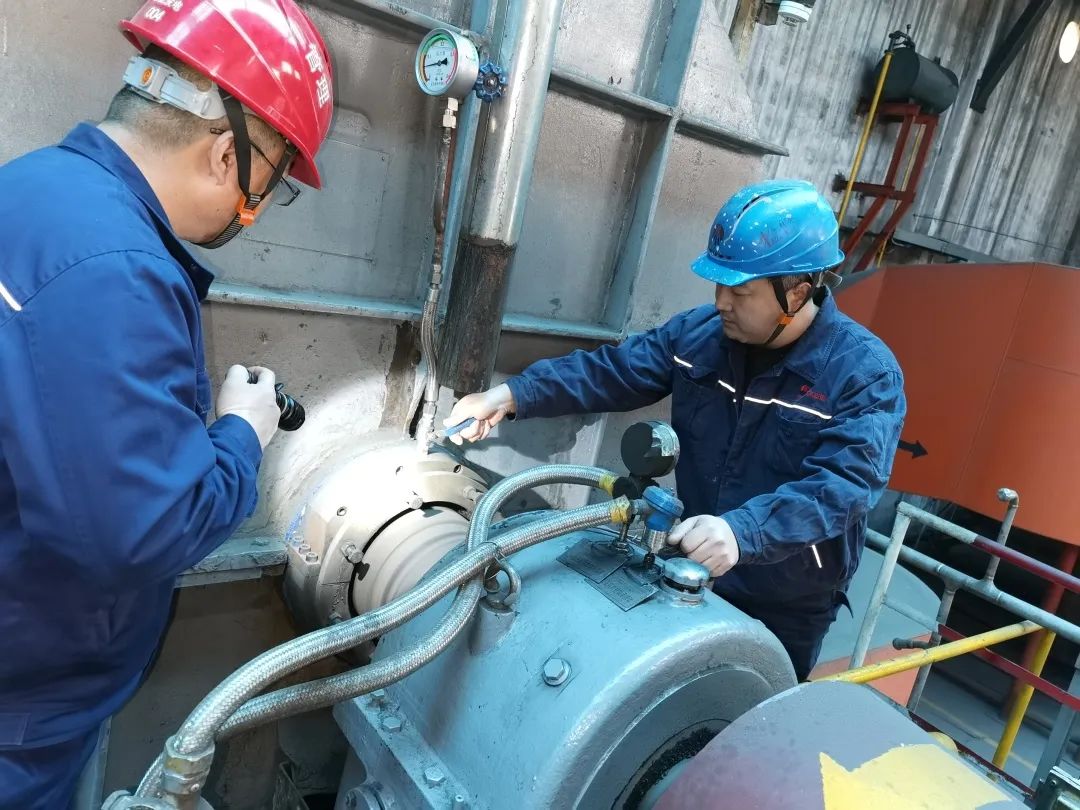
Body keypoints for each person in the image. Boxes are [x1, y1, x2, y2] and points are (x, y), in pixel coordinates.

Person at [0, 2, 334, 806]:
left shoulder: (29, 189)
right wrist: (242, 433)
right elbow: (145, 530)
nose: (256, 212)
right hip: (22, 706)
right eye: (272, 186)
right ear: (226, 154)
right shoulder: (117, 269)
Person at [445, 179, 907, 682]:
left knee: (745, 708)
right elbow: (612, 371)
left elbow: (843, 487)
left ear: (796, 292)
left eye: (740, 292)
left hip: (784, 600)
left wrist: (743, 532)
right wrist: (510, 396)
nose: (721, 302)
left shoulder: (863, 374)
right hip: (691, 567)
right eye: (718, 286)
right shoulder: (700, 335)